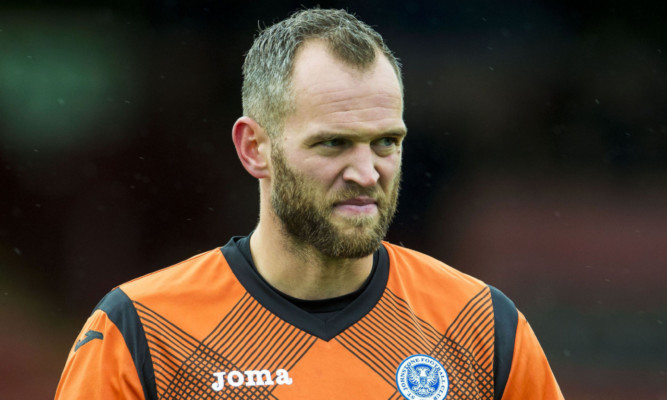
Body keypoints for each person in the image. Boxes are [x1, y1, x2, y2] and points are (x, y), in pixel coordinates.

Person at [55, 8, 563, 400]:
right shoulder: (141, 330)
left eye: (386, 142)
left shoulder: (480, 326)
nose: (367, 173)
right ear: (255, 148)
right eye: (333, 144)